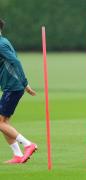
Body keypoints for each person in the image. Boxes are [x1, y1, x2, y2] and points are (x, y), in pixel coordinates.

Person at [0, 19, 37, 164]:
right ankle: (17, 155)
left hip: (13, 87)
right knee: (4, 123)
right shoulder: (4, 41)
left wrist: (25, 83)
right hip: (12, 86)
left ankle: (28, 144)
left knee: (0, 122)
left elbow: (16, 62)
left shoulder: (1, 44)